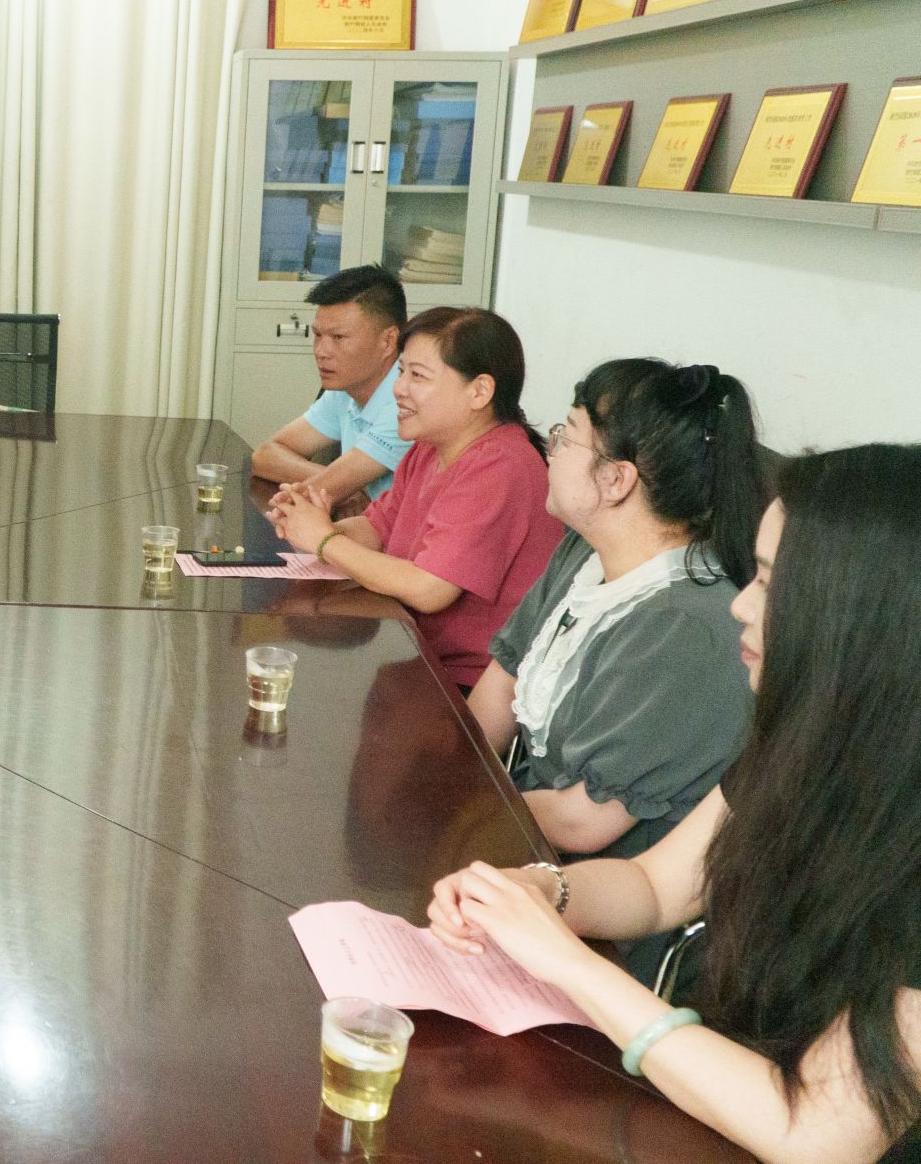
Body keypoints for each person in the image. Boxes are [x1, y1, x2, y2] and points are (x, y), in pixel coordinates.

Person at [428, 445, 921, 1163]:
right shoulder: (814, 742)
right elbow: (657, 885)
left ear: (863, 618)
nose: (740, 604)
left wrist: (569, 964)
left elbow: (815, 1137)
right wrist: (542, 891)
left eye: (770, 583)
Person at [474, 360, 764, 868]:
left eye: (566, 436)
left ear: (615, 479)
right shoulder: (584, 554)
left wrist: (463, 810)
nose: (551, 449)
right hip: (523, 829)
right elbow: (501, 683)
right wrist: (446, 780)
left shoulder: (683, 626)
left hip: (600, 882)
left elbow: (583, 821)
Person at [268, 306, 562, 690]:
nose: (399, 389)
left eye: (418, 376)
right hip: (414, 652)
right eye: (401, 371)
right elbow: (378, 527)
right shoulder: (429, 447)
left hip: (469, 685)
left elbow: (429, 589)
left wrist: (324, 539)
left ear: (480, 391)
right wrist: (309, 520)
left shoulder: (499, 464)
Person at [249, 266, 410, 511]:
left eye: (338, 338)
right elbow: (265, 455)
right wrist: (343, 485)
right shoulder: (346, 388)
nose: (321, 352)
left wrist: (335, 484)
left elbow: (327, 488)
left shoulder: (407, 401)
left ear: (388, 341)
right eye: (317, 335)